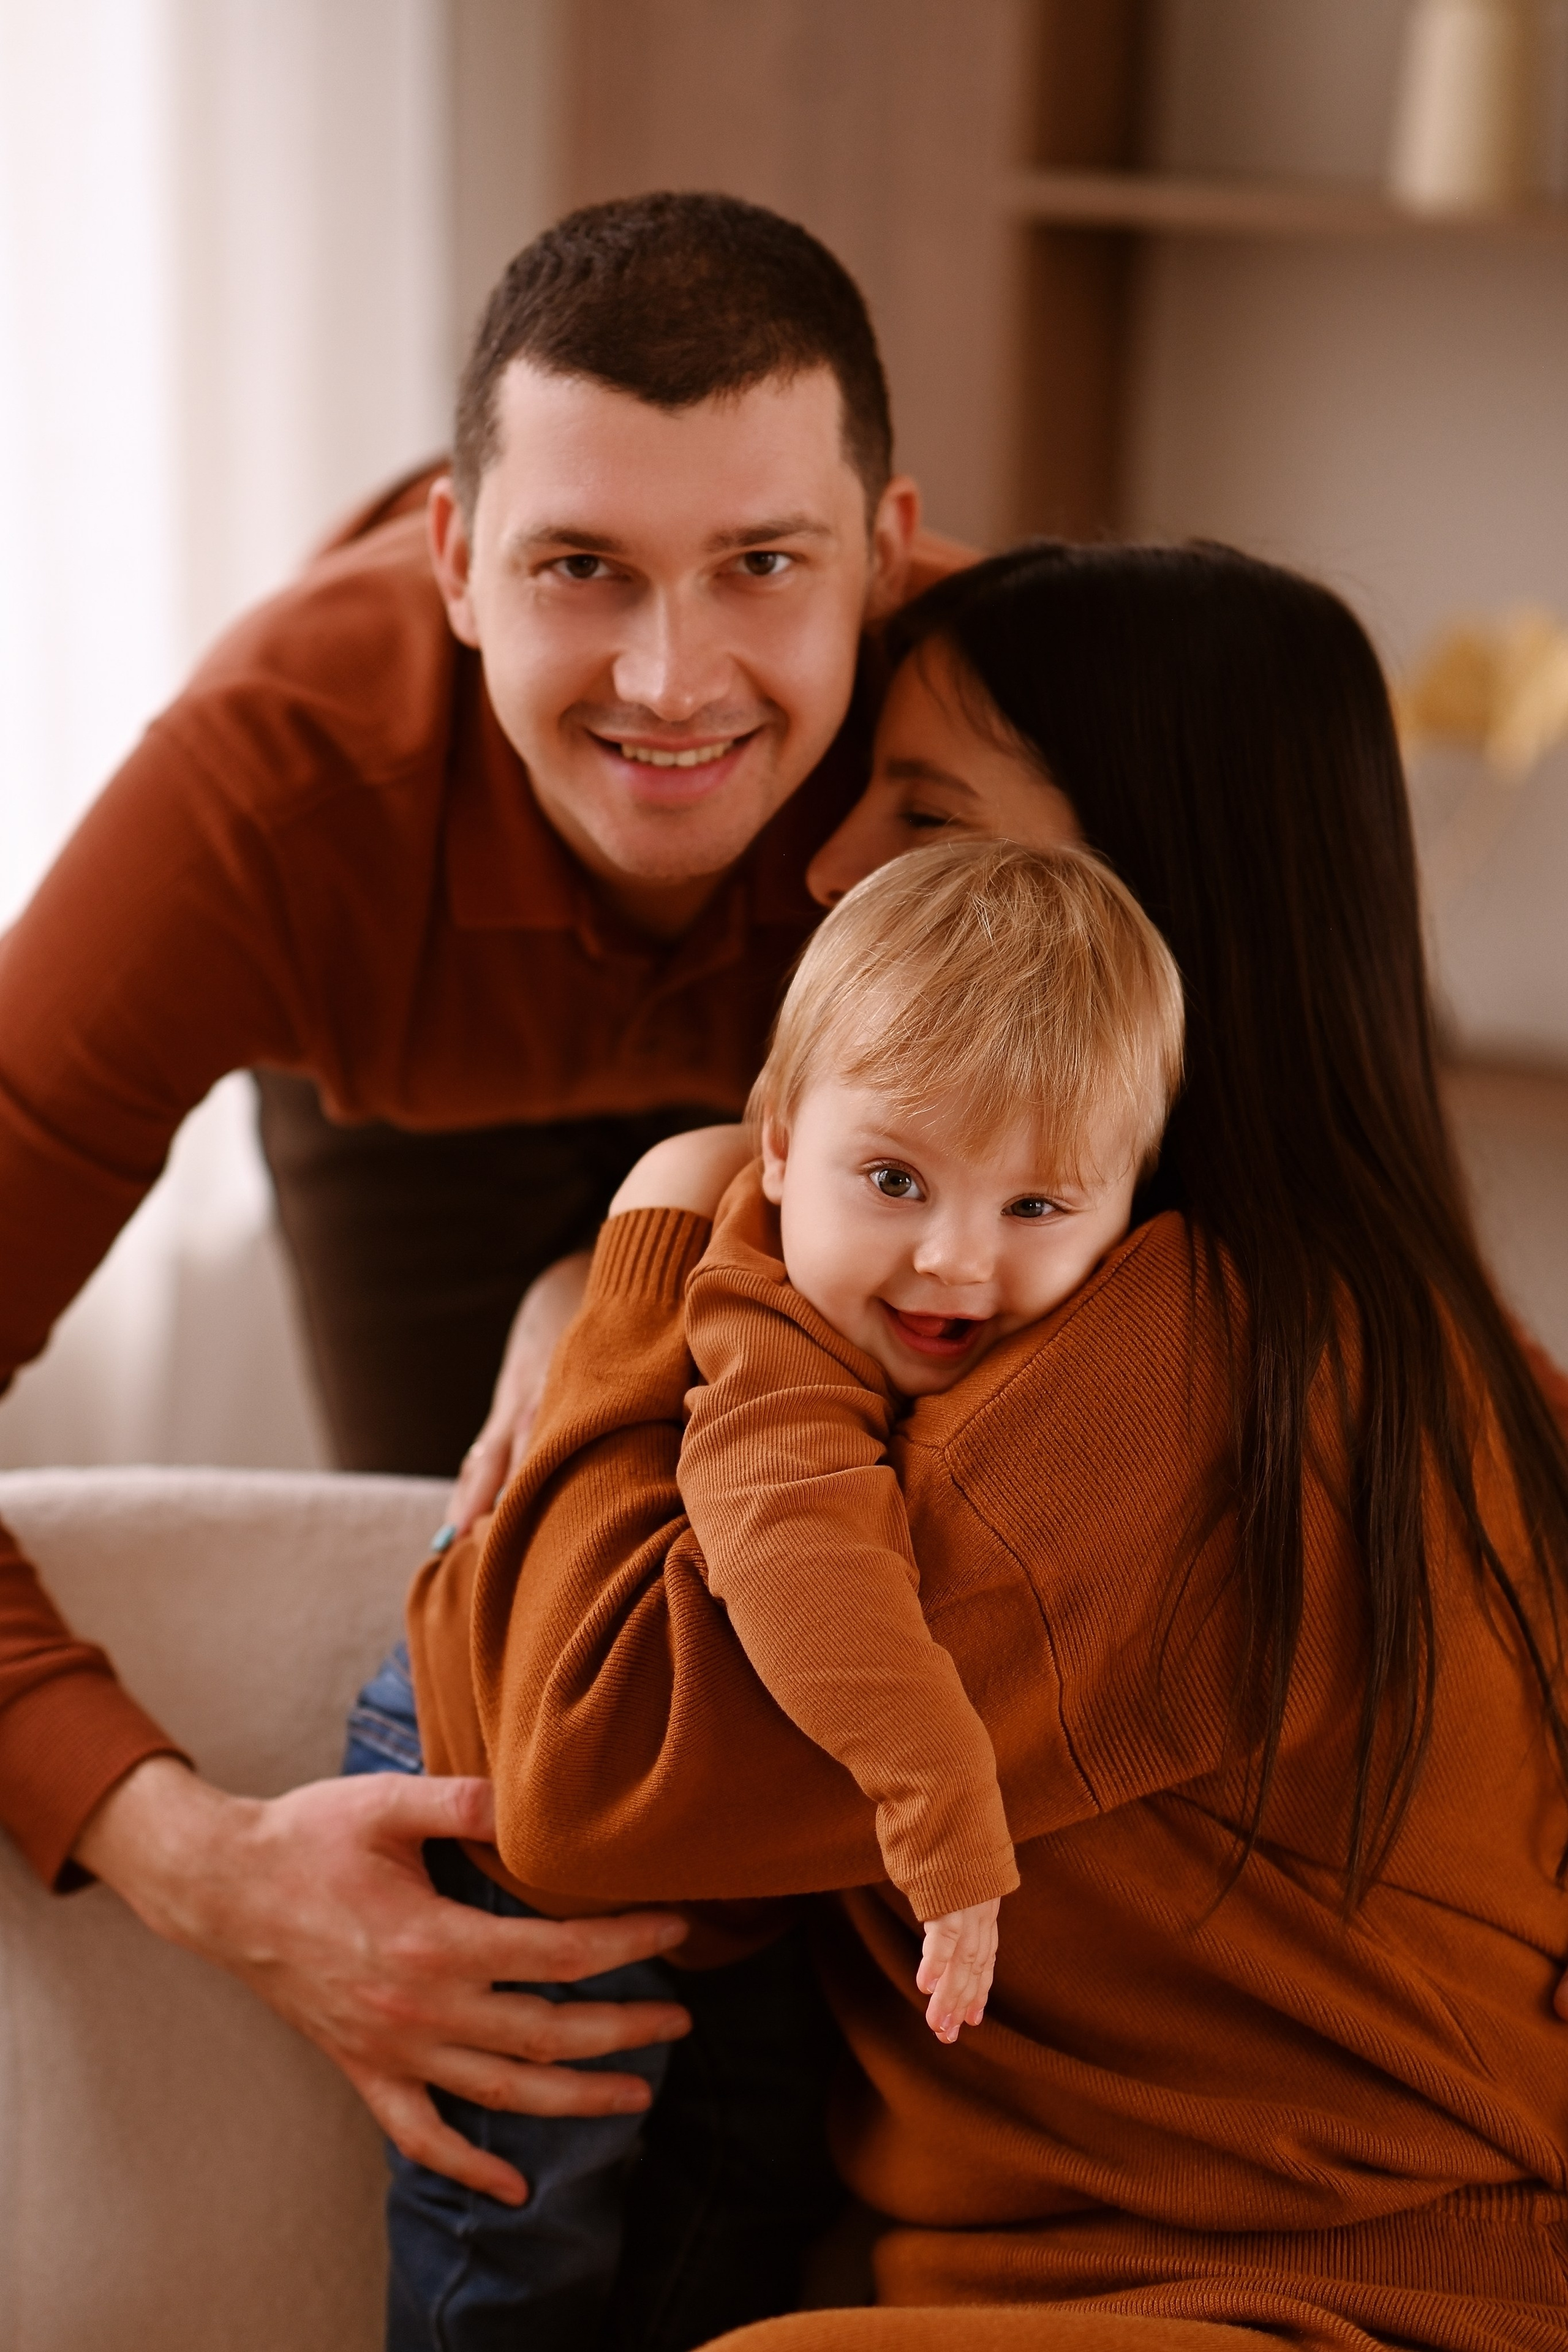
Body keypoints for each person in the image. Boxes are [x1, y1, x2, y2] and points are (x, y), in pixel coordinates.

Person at [416, 540, 1568, 2350]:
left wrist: (660, 1216)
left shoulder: (1183, 1383)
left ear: (1140, 909)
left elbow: (572, 1779)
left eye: (929, 819)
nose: (822, 864)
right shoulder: (1425, 1343)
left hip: (1298, 2309)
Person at [0, 188, 972, 2252]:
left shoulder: (1004, 744)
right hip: (409, 1109)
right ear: (450, 559)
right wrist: (192, 1854)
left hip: (830, 1126)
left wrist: (642, 1271)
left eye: (763, 567)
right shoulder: (261, 796)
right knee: (490, 1638)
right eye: (579, 568)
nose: (668, 675)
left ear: (889, 560)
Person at [389, 838, 1182, 2342]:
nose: (950, 1260)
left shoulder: (1046, 1353)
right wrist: (950, 1826)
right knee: (518, 2222)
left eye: (1036, 1210)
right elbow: (808, 1573)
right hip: (479, 1768)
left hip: (722, 1872)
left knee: (747, 2183)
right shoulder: (768, 1330)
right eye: (890, 1179)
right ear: (769, 1153)